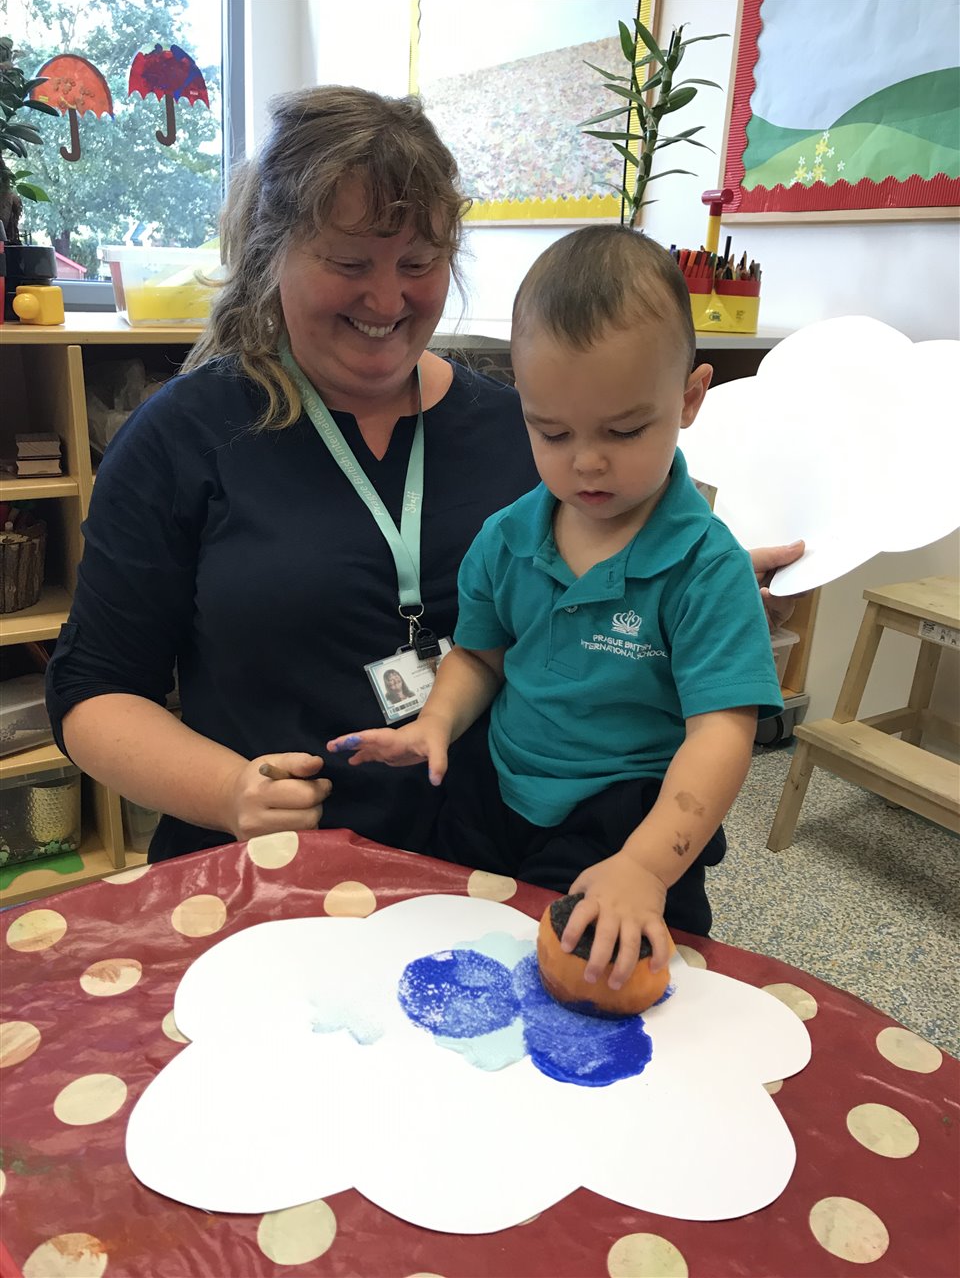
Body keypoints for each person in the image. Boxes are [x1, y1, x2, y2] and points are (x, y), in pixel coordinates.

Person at [45, 84, 804, 866]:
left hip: (498, 860)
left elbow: (590, 581)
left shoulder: (533, 430)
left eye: (419, 262)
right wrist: (228, 791)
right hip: (274, 870)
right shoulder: (183, 437)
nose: (387, 299)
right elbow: (92, 691)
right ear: (273, 254)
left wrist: (687, 592)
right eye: (349, 263)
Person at [328, 226, 784, 991]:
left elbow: (721, 734)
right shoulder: (505, 539)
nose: (587, 461)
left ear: (689, 398)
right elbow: (480, 657)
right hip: (496, 789)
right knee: (451, 950)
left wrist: (646, 867)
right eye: (553, 431)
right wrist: (436, 722)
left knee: (597, 986)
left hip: (626, 819)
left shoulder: (707, 569)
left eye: (624, 430)